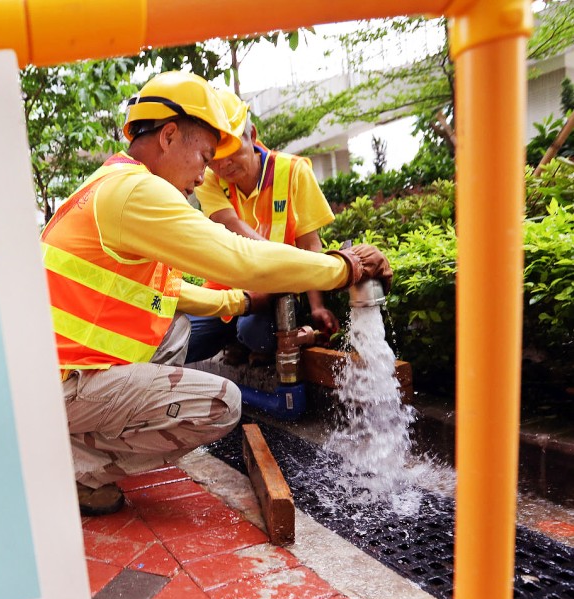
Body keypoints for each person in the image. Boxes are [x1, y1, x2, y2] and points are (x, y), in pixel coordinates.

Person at [40, 71, 391, 516]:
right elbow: (240, 256)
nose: (206, 172)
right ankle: (60, 467)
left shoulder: (109, 182)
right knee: (221, 404)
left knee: (174, 334)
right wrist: (345, 268)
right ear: (169, 136)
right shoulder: (137, 192)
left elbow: (168, 294)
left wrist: (240, 302)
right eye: (204, 155)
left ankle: (66, 450)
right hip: (58, 388)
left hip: (51, 377)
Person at [186, 90, 340, 365]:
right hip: (228, 293)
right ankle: (235, 338)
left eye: (231, 152)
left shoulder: (294, 171)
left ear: (252, 135)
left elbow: (310, 245)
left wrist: (317, 306)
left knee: (256, 333)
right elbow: (229, 223)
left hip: (277, 292)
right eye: (214, 158)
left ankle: (244, 340)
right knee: (183, 340)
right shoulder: (208, 180)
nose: (223, 165)